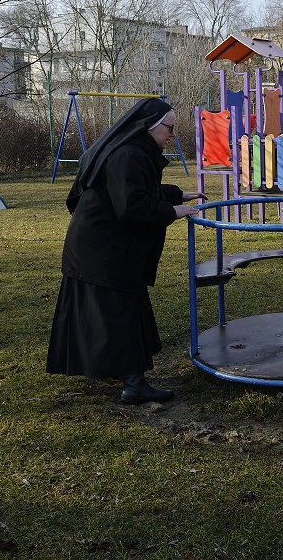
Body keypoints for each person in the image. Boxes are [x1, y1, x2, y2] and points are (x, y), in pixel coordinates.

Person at [47, 98, 205, 404]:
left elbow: (133, 188)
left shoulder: (132, 150)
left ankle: (117, 369)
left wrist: (174, 193)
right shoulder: (128, 154)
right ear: (149, 127)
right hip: (104, 248)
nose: (172, 135)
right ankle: (134, 385)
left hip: (99, 243)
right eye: (170, 128)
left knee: (112, 311)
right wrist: (172, 211)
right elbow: (131, 206)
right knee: (122, 311)